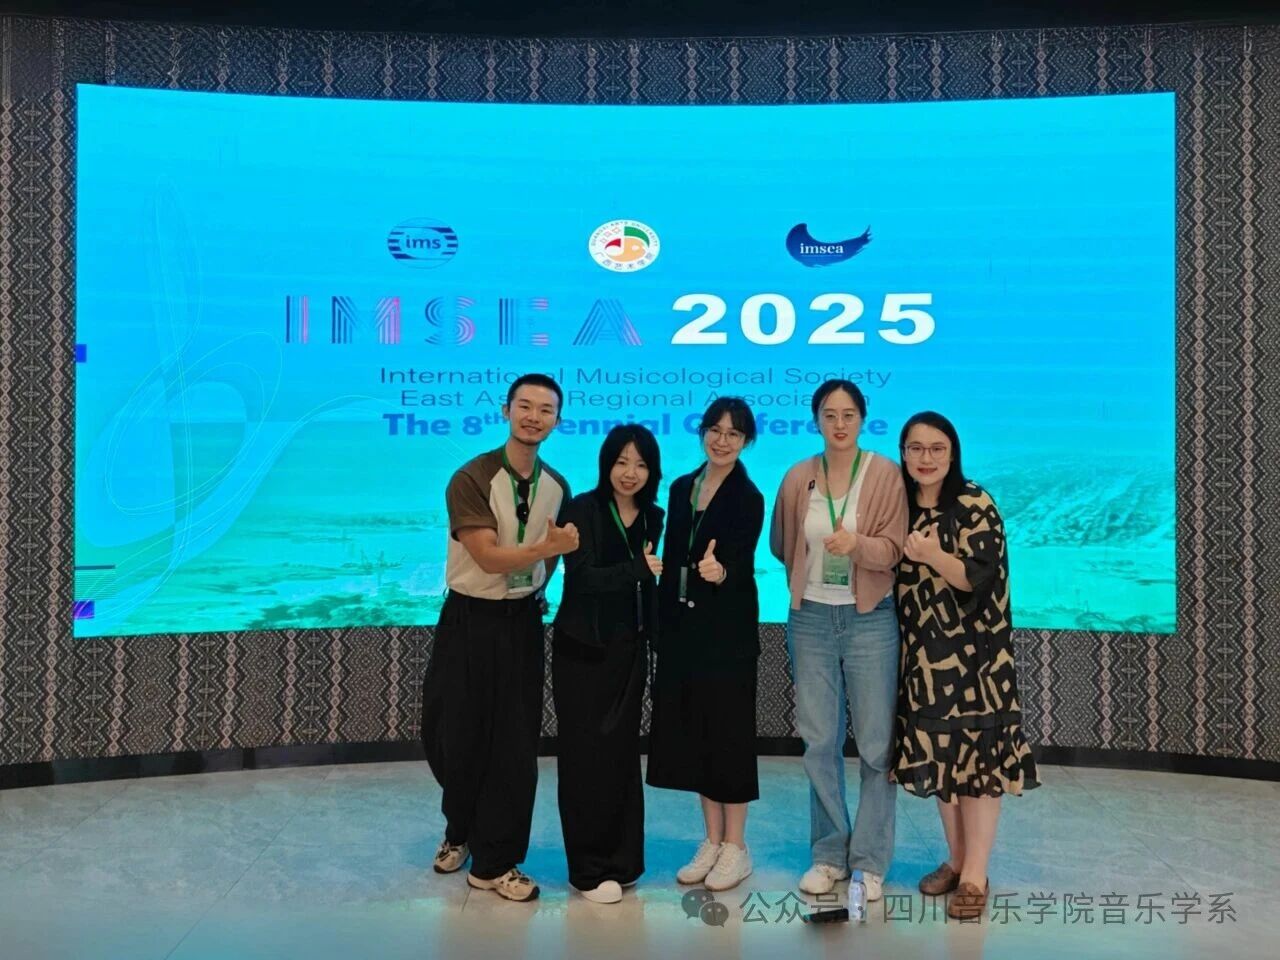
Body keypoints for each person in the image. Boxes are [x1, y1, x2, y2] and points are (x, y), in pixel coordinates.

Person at [420, 373, 579, 902]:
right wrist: (543, 552)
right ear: (506, 410)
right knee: (457, 735)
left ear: (557, 420)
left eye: (546, 409)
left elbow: (552, 559)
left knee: (514, 745)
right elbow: (487, 557)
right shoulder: (472, 477)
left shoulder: (557, 486)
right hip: (469, 621)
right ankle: (459, 829)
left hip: (521, 624)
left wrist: (538, 583)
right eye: (525, 406)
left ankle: (497, 861)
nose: (534, 417)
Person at [892, 411, 1040, 920]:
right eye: (915, 448)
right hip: (923, 659)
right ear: (903, 453)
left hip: (977, 661)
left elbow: (978, 577)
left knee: (979, 767)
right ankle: (955, 860)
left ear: (952, 452)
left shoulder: (975, 503)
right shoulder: (901, 505)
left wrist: (932, 554)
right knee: (944, 761)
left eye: (936, 448)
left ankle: (976, 874)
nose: (925, 458)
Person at [770, 379, 908, 903]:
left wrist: (858, 546)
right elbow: (782, 543)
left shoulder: (884, 474)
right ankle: (829, 854)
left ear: (863, 419)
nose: (840, 423)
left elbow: (894, 549)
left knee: (875, 745)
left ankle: (869, 861)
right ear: (817, 420)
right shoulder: (798, 476)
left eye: (849, 414)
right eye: (830, 414)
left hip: (869, 618)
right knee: (819, 741)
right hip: (810, 619)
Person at [646, 397, 765, 893]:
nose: (722, 440)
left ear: (746, 441)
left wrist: (723, 572)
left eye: (733, 434)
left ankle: (737, 846)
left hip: (727, 634)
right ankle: (712, 840)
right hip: (684, 631)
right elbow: (674, 554)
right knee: (698, 734)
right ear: (702, 433)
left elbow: (741, 564)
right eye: (715, 430)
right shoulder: (681, 488)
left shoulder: (749, 497)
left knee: (729, 737)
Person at [551, 425, 665, 904]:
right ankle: (588, 870)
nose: (630, 473)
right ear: (606, 464)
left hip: (628, 651)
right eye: (621, 462)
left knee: (620, 758)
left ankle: (623, 862)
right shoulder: (582, 509)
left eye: (640, 464)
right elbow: (581, 578)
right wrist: (636, 570)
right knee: (584, 758)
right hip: (582, 649)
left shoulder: (653, 516)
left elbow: (649, 586)